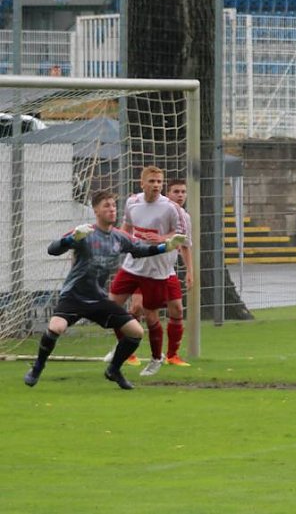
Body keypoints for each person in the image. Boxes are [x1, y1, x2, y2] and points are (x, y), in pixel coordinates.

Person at [23, 190, 186, 390]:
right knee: (56, 328)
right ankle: (37, 368)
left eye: (113, 206)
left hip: (98, 299)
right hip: (74, 296)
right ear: (96, 211)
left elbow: (139, 249)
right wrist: (71, 239)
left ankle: (114, 370)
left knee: (135, 332)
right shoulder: (85, 233)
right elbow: (52, 249)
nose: (111, 209)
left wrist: (165, 247)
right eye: (106, 206)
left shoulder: (119, 237)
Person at [108, 166, 187, 377]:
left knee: (151, 315)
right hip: (132, 265)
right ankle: (124, 347)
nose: (156, 185)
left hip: (156, 270)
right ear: (142, 183)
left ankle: (156, 358)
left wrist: (162, 238)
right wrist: (116, 244)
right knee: (111, 306)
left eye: (159, 181)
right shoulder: (132, 202)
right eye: (152, 181)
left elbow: (179, 235)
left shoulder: (171, 208)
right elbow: (126, 227)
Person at [126, 179, 194, 366]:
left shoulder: (184, 217)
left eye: (183, 192)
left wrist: (190, 272)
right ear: (167, 193)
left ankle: (172, 355)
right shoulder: (152, 208)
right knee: (137, 308)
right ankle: (128, 352)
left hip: (166, 270)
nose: (180, 195)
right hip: (142, 268)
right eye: (176, 192)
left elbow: (185, 245)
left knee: (177, 309)